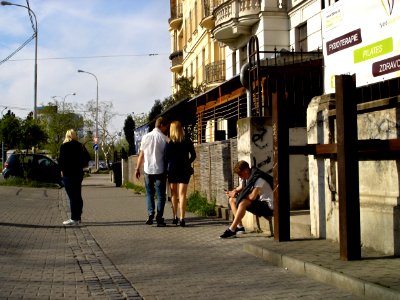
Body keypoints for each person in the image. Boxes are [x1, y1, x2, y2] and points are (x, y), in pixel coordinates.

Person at [220, 160, 274, 238]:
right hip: (261, 202)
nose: (240, 177)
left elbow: (252, 197)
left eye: (240, 174)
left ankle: (232, 229)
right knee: (232, 200)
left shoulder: (258, 179)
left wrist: (238, 195)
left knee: (243, 202)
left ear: (246, 171)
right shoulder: (248, 177)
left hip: (269, 206)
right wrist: (233, 192)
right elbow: (241, 187)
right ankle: (240, 227)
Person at [135, 117, 169, 227]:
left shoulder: (145, 137)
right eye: (166, 127)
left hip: (147, 170)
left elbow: (141, 155)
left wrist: (137, 168)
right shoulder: (165, 138)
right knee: (160, 195)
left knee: (149, 193)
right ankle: (159, 218)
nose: (166, 129)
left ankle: (150, 214)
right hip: (160, 170)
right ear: (161, 125)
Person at [165, 120, 196, 227]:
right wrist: (187, 162)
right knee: (182, 194)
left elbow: (165, 157)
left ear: (172, 130)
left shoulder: (169, 143)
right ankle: (182, 218)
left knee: (174, 194)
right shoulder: (187, 141)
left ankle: (175, 217)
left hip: (173, 169)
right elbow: (193, 155)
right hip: (184, 169)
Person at [59, 129, 86, 226]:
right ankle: (78, 217)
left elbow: (61, 161)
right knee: (78, 195)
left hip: (68, 174)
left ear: (67, 136)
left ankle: (74, 218)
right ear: (74, 135)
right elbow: (85, 159)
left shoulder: (64, 146)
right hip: (78, 174)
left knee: (72, 197)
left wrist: (62, 170)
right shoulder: (79, 146)